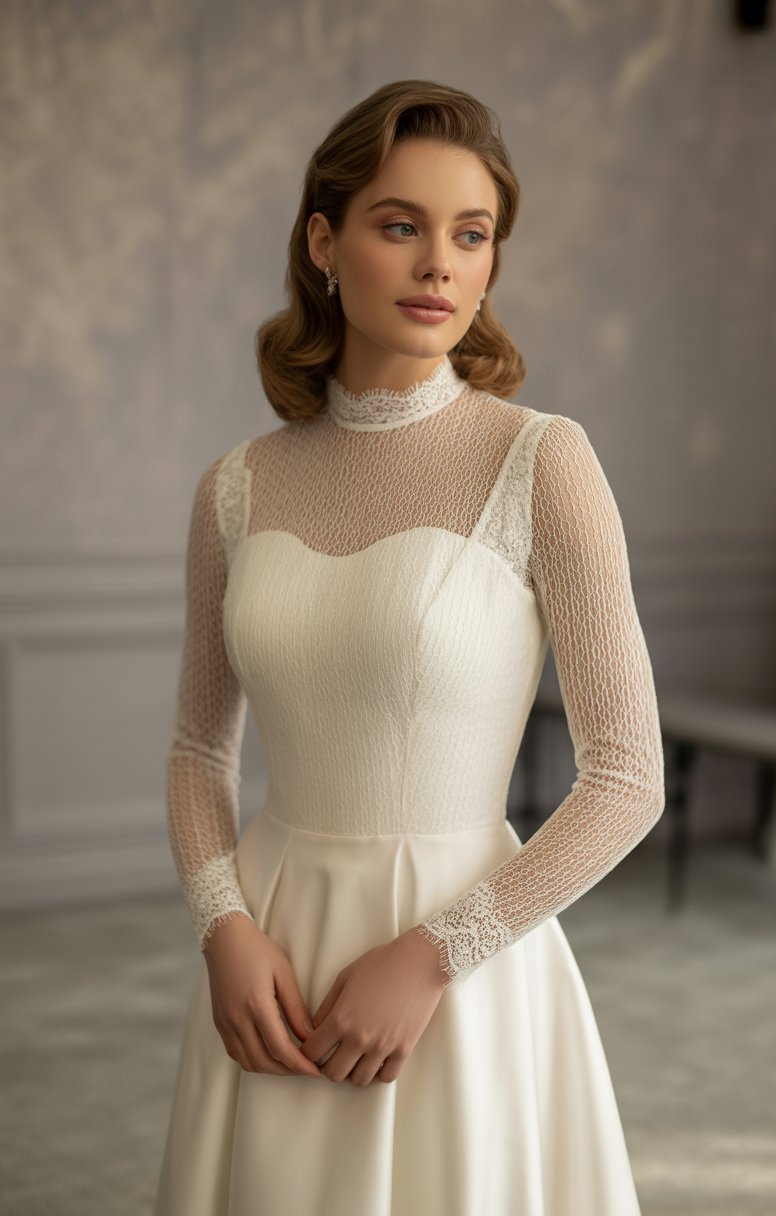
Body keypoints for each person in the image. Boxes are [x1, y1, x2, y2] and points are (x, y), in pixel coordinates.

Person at [154, 78, 665, 1216]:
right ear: (325, 242)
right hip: (271, 952)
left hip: (461, 963)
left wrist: (432, 956)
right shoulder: (236, 487)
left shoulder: (542, 461)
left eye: (469, 234)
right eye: (401, 225)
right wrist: (222, 928)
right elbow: (199, 748)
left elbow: (628, 777)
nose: (439, 262)